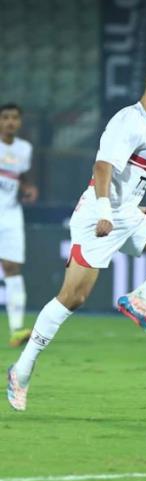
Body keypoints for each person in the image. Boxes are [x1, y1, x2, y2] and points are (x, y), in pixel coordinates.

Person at [7, 56, 146, 412]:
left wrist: (132, 205)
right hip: (97, 218)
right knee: (72, 299)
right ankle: (22, 370)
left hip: (127, 216)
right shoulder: (128, 120)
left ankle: (140, 297)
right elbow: (103, 166)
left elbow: (129, 177)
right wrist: (105, 211)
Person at [0, 103, 38, 348]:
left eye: (15, 118)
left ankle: (16, 329)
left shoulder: (25, 148)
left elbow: (19, 175)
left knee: (12, 267)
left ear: (20, 122)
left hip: (12, 214)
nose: (10, 122)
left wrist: (27, 188)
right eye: (5, 118)